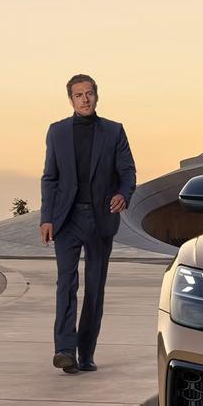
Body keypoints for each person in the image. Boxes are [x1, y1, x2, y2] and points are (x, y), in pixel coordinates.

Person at [39, 73, 136, 373]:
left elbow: (128, 172)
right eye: (79, 95)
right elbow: (50, 178)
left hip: (100, 218)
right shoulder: (57, 132)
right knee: (66, 283)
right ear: (71, 100)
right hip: (66, 219)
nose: (85, 99)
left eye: (89, 93)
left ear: (96, 96)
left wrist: (123, 194)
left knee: (94, 288)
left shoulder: (114, 131)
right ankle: (65, 350)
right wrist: (46, 217)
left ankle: (86, 352)